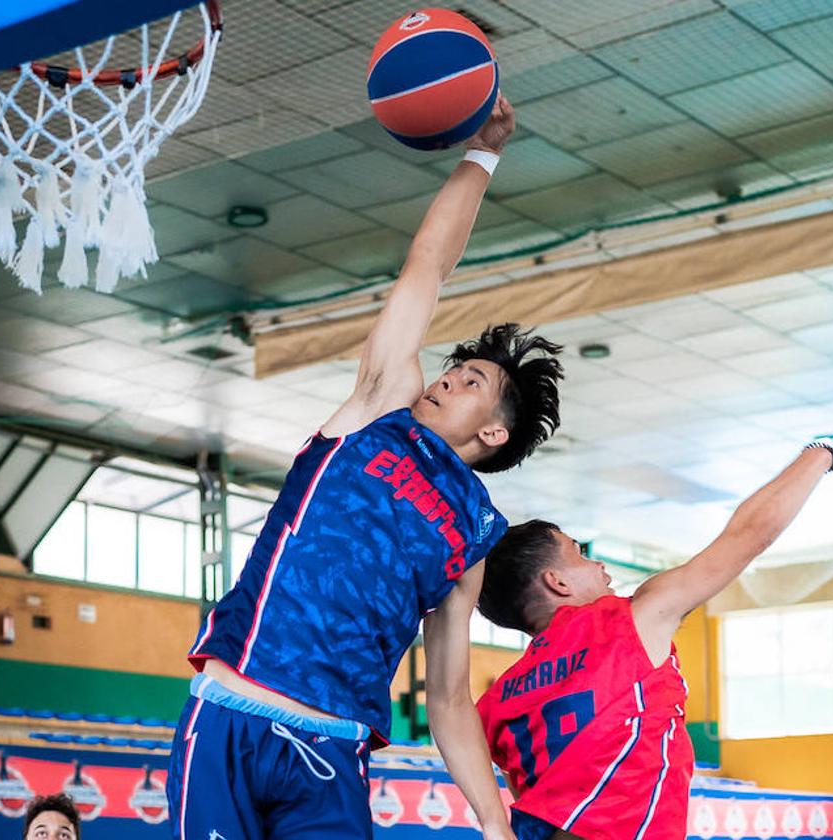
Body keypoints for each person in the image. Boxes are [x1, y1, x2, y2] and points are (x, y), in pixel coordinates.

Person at [167, 95, 565, 840]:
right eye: (453, 370)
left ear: (495, 432)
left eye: (471, 382)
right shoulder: (380, 406)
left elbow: (447, 696)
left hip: (331, 751)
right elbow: (427, 265)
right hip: (230, 715)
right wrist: (482, 155)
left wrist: (495, 823)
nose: (447, 379)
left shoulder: (474, 531)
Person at [476, 443, 833, 840]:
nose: (598, 564)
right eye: (579, 554)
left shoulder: (496, 702)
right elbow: (747, 535)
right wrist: (822, 456)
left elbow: (527, 794)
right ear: (556, 582)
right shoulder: (626, 624)